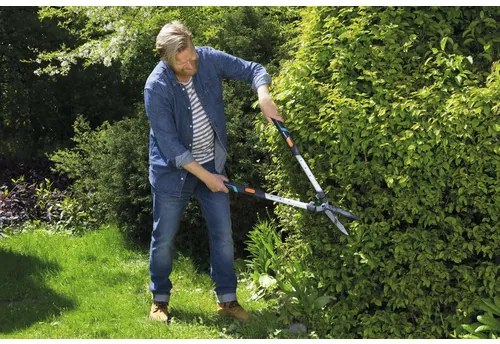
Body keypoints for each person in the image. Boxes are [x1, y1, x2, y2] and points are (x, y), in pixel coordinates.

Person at [143, 21, 283, 323]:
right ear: (166, 60)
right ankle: (160, 300)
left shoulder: (206, 58)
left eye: (192, 55)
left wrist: (263, 96)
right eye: (182, 61)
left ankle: (227, 300)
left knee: (222, 236)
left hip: (212, 164)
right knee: (164, 237)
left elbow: (253, 69)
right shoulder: (156, 87)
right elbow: (172, 147)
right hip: (172, 173)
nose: (191, 63)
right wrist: (208, 179)